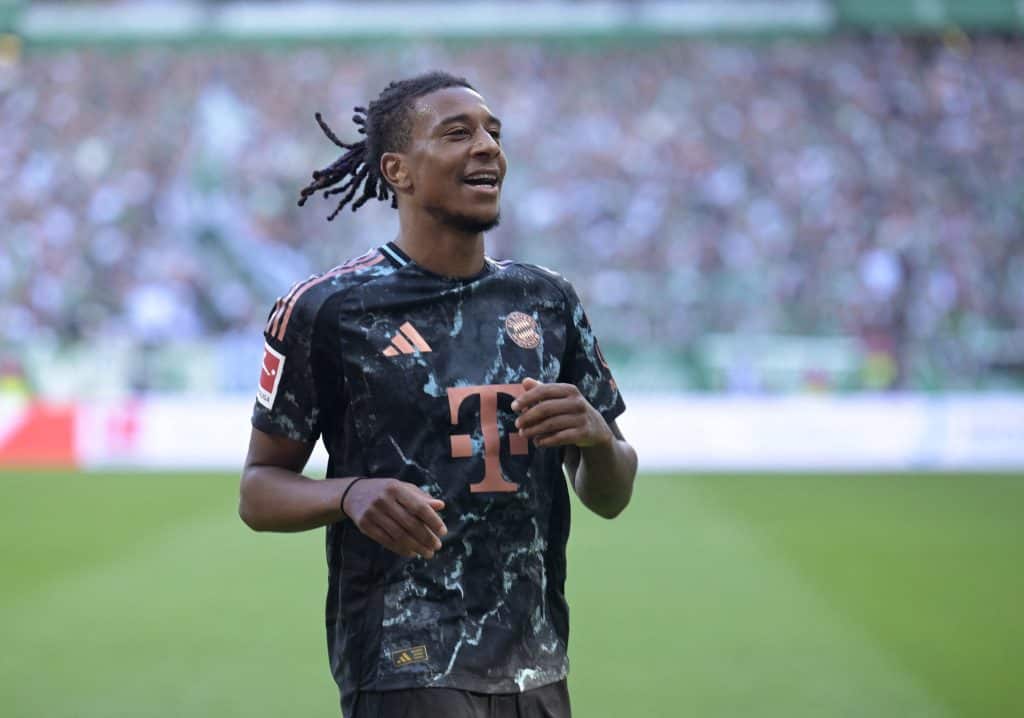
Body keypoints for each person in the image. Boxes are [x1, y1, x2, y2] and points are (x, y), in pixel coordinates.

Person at [239, 71, 638, 718]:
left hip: (535, 664)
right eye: (458, 133)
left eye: (493, 133)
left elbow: (611, 494)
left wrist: (596, 439)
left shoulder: (548, 300)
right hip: (405, 666)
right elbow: (257, 491)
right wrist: (349, 493)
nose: (487, 147)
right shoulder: (330, 310)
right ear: (398, 170)